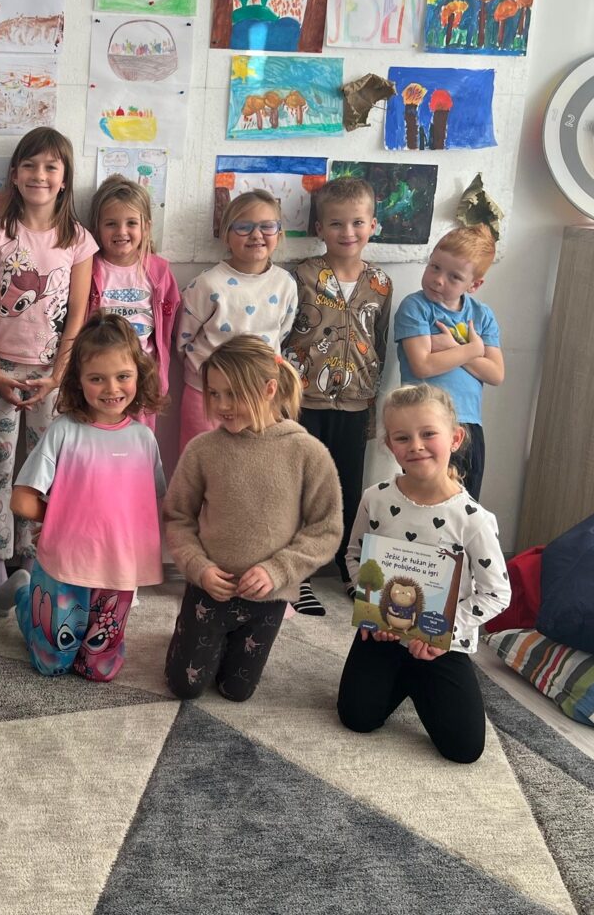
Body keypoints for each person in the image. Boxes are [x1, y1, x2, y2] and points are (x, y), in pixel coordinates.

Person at [337, 384, 511, 763]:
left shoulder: (473, 520)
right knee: (357, 718)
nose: (416, 446)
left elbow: (497, 593)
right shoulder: (375, 498)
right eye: (402, 437)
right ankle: (400, 676)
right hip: (382, 633)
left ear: (455, 438)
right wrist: (370, 609)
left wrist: (443, 633)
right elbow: (355, 556)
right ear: (390, 445)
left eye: (428, 433)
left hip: (441, 643)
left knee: (464, 749)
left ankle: (419, 678)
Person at [163, 334, 342, 703]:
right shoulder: (202, 450)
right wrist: (198, 568)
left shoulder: (308, 452)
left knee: (236, 691)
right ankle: (191, 631)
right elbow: (178, 517)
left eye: (233, 394)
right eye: (214, 394)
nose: (221, 405)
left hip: (268, 598)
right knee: (185, 687)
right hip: (209, 590)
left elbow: (325, 528)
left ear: (269, 389)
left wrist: (278, 571)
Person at [0, 315, 166, 682]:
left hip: (117, 572)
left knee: (98, 669)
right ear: (78, 381)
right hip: (64, 562)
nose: (111, 388)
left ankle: (76, 621)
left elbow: (152, 507)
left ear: (139, 374)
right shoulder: (64, 431)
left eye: (122, 376)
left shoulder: (143, 440)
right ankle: (24, 591)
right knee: (52, 663)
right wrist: (61, 518)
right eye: (96, 378)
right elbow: (22, 500)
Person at [0, 127, 97, 597]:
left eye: (50, 167)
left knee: (41, 470)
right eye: (29, 165)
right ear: (14, 174)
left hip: (52, 377)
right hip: (1, 371)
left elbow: (77, 315)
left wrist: (58, 377)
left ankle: (31, 557)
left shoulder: (78, 240)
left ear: (65, 179)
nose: (39, 175)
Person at [281, 177, 393, 615]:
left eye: (358, 222)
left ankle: (348, 568)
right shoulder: (302, 277)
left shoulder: (380, 283)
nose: (348, 232)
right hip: (305, 402)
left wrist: (373, 405)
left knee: (348, 488)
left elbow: (379, 343)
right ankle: (299, 574)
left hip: (356, 402)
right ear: (319, 229)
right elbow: (284, 338)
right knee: (303, 487)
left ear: (373, 226)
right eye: (336, 223)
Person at [175, 190, 298, 453]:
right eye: (244, 227)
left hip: (259, 396)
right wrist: (210, 378)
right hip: (207, 396)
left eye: (267, 226)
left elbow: (282, 332)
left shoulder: (285, 284)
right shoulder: (207, 284)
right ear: (226, 235)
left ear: (279, 233)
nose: (256, 235)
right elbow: (183, 339)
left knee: (253, 462)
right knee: (201, 460)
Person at [393, 226, 504, 500]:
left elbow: (496, 373)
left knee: (466, 503)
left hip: (468, 424)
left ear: (474, 285)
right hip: (424, 423)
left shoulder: (482, 315)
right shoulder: (415, 307)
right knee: (425, 500)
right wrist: (474, 350)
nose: (439, 280)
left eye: (454, 276)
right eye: (435, 267)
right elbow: (423, 365)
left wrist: (456, 348)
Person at [86, 174, 181, 419]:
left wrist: (159, 373)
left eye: (131, 223)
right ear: (96, 227)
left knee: (139, 438)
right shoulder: (88, 268)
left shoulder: (158, 271)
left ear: (146, 227)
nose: (121, 231)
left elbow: (168, 325)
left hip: (143, 375)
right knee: (98, 434)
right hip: (99, 376)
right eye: (111, 224)